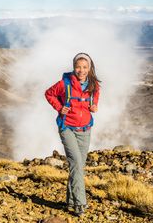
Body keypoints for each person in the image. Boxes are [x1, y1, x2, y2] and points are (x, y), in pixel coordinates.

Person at [45, 52, 100, 217]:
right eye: (78, 67)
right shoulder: (65, 83)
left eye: (84, 67)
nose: (81, 70)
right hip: (67, 127)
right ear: (73, 67)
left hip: (85, 129)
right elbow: (49, 93)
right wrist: (59, 107)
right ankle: (79, 203)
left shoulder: (93, 84)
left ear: (89, 68)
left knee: (78, 166)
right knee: (76, 162)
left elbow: (95, 96)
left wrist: (95, 105)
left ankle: (69, 201)